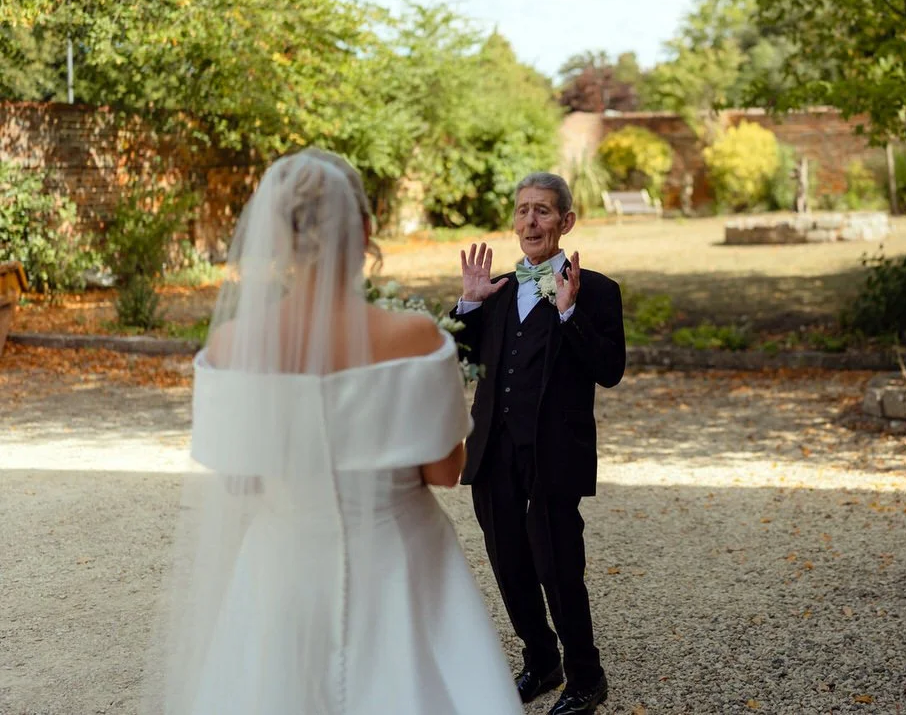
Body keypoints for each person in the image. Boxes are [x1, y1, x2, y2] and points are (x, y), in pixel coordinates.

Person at [145, 149, 523, 715]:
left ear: (278, 237)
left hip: (282, 564)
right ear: (365, 230)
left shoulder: (231, 347)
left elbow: (241, 481)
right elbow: (446, 472)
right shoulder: (416, 338)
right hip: (398, 565)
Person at [454, 172, 626, 715]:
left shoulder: (597, 290)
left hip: (554, 449)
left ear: (566, 221)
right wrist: (468, 306)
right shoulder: (496, 290)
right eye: (523, 210)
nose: (530, 222)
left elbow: (610, 370)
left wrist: (570, 312)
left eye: (543, 211)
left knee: (557, 564)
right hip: (494, 447)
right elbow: (460, 362)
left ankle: (586, 676)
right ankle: (541, 658)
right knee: (508, 561)